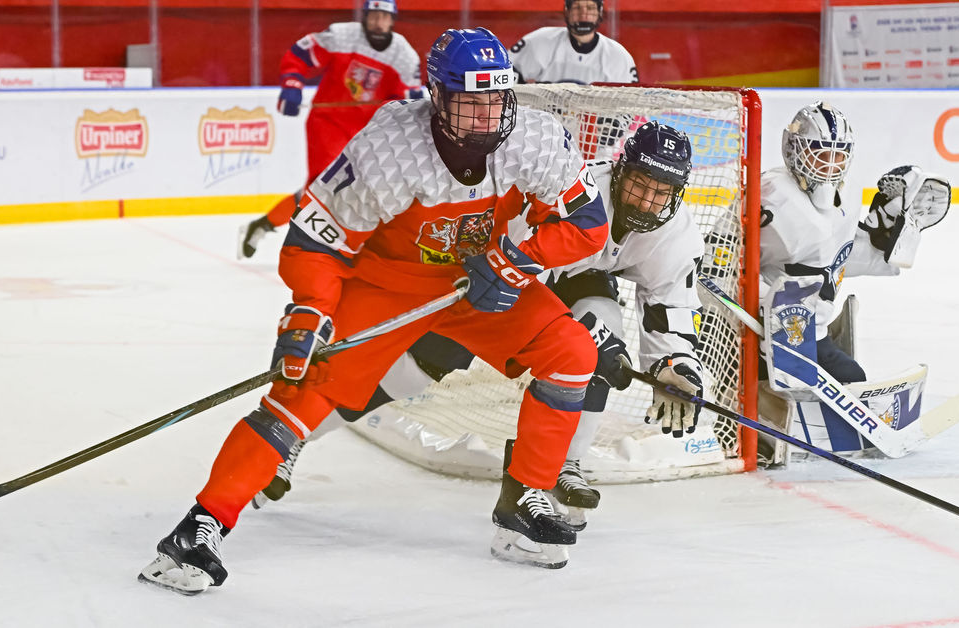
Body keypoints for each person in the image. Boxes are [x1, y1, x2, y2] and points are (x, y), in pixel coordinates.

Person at [139, 27, 609, 595]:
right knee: (301, 388)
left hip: (478, 279)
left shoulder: (532, 137)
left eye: (495, 100)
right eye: (469, 102)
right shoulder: (389, 148)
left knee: (572, 352)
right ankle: (199, 529)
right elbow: (317, 241)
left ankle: (522, 505)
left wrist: (521, 259)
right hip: (388, 282)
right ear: (436, 96)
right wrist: (310, 310)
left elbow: (587, 226)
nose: (486, 118)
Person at [255, 123, 717, 532]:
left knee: (598, 327)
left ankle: (564, 465)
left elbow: (670, 302)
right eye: (640, 185)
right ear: (620, 173)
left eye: (661, 192)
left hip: (576, 287)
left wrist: (673, 364)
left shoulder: (675, 233)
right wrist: (584, 331)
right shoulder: (578, 191)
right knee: (407, 376)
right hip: (498, 282)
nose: (648, 200)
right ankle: (292, 436)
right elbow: (517, 250)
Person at [755, 101, 951, 458]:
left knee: (852, 376)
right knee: (779, 394)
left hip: (811, 333)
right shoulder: (773, 197)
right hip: (763, 335)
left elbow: (839, 257)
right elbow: (723, 258)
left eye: (837, 155)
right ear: (793, 149)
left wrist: (884, 234)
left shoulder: (843, 201)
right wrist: (760, 309)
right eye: (819, 154)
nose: (830, 166)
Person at [238, 0, 422, 259]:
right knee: (322, 188)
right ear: (365, 16)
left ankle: (266, 224)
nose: (379, 22)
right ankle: (306, 242)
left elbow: (409, 101)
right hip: (328, 124)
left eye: (385, 17)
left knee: (365, 190)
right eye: (374, 16)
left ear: (393, 20)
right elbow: (301, 54)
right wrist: (292, 84)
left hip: (367, 134)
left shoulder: (404, 55)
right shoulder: (342, 35)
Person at [508, 0, 638, 85]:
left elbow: (629, 104)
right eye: (577, 7)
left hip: (595, 125)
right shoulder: (540, 40)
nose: (583, 14)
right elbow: (506, 72)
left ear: (600, 12)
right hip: (546, 122)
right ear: (567, 11)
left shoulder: (618, 55)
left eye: (590, 7)